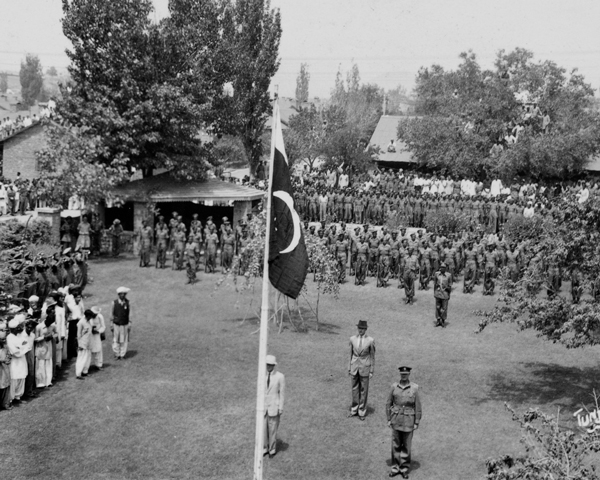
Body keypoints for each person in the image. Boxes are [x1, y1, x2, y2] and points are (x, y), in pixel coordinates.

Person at [386, 366, 422, 478]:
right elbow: (388, 403)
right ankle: (395, 468)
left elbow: (418, 406)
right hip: (396, 420)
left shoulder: (414, 388)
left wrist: (416, 422)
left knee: (406, 446)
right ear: (400, 374)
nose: (404, 376)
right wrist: (388, 419)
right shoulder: (394, 387)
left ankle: (404, 468)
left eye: (406, 374)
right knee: (395, 445)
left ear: (409, 374)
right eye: (402, 374)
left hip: (409, 421)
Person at [348, 320, 375, 420]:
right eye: (359, 328)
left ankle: (362, 412)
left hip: (365, 368)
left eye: (362, 328)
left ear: (366, 329)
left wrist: (371, 370)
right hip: (354, 368)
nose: (360, 330)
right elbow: (349, 355)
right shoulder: (352, 339)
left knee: (364, 390)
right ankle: (354, 410)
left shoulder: (370, 341)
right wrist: (349, 368)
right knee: (354, 389)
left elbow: (372, 356)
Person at [264, 354, 285, 459]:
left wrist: (280, 407)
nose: (269, 366)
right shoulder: (262, 375)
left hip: (274, 407)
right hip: (263, 408)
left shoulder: (279, 376)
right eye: (267, 364)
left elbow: (282, 393)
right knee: (263, 429)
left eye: (271, 365)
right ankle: (264, 448)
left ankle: (272, 449)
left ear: (274, 365)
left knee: (272, 429)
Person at [6, 316, 29, 403]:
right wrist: (22, 348)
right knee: (14, 378)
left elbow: (26, 344)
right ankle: (11, 398)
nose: (18, 329)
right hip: (15, 361)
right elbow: (14, 351)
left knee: (22, 377)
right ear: (13, 329)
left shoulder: (19, 336)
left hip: (22, 360)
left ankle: (18, 396)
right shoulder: (9, 338)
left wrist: (22, 348)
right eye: (16, 328)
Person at [111, 287, 131, 360]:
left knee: (124, 340)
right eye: (121, 294)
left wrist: (130, 323)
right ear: (118, 295)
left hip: (125, 324)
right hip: (116, 324)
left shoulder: (128, 302)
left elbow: (129, 314)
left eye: (124, 294)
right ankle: (117, 354)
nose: (122, 296)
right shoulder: (114, 302)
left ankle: (122, 354)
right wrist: (111, 324)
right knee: (116, 339)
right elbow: (112, 314)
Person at [75, 309, 95, 379]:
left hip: (88, 342)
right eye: (90, 316)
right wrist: (79, 345)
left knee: (88, 358)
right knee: (81, 358)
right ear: (87, 315)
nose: (91, 318)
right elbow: (78, 335)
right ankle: (78, 374)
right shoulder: (81, 322)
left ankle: (85, 372)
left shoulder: (88, 321)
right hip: (82, 343)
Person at [433, 263, 452, 327]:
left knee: (444, 308)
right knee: (437, 307)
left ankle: (443, 320)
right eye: (441, 267)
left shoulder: (448, 275)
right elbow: (435, 284)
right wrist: (434, 293)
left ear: (445, 268)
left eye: (443, 267)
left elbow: (450, 285)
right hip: (438, 293)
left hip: (445, 294)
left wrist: (449, 294)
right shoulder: (436, 274)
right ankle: (438, 320)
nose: (441, 269)